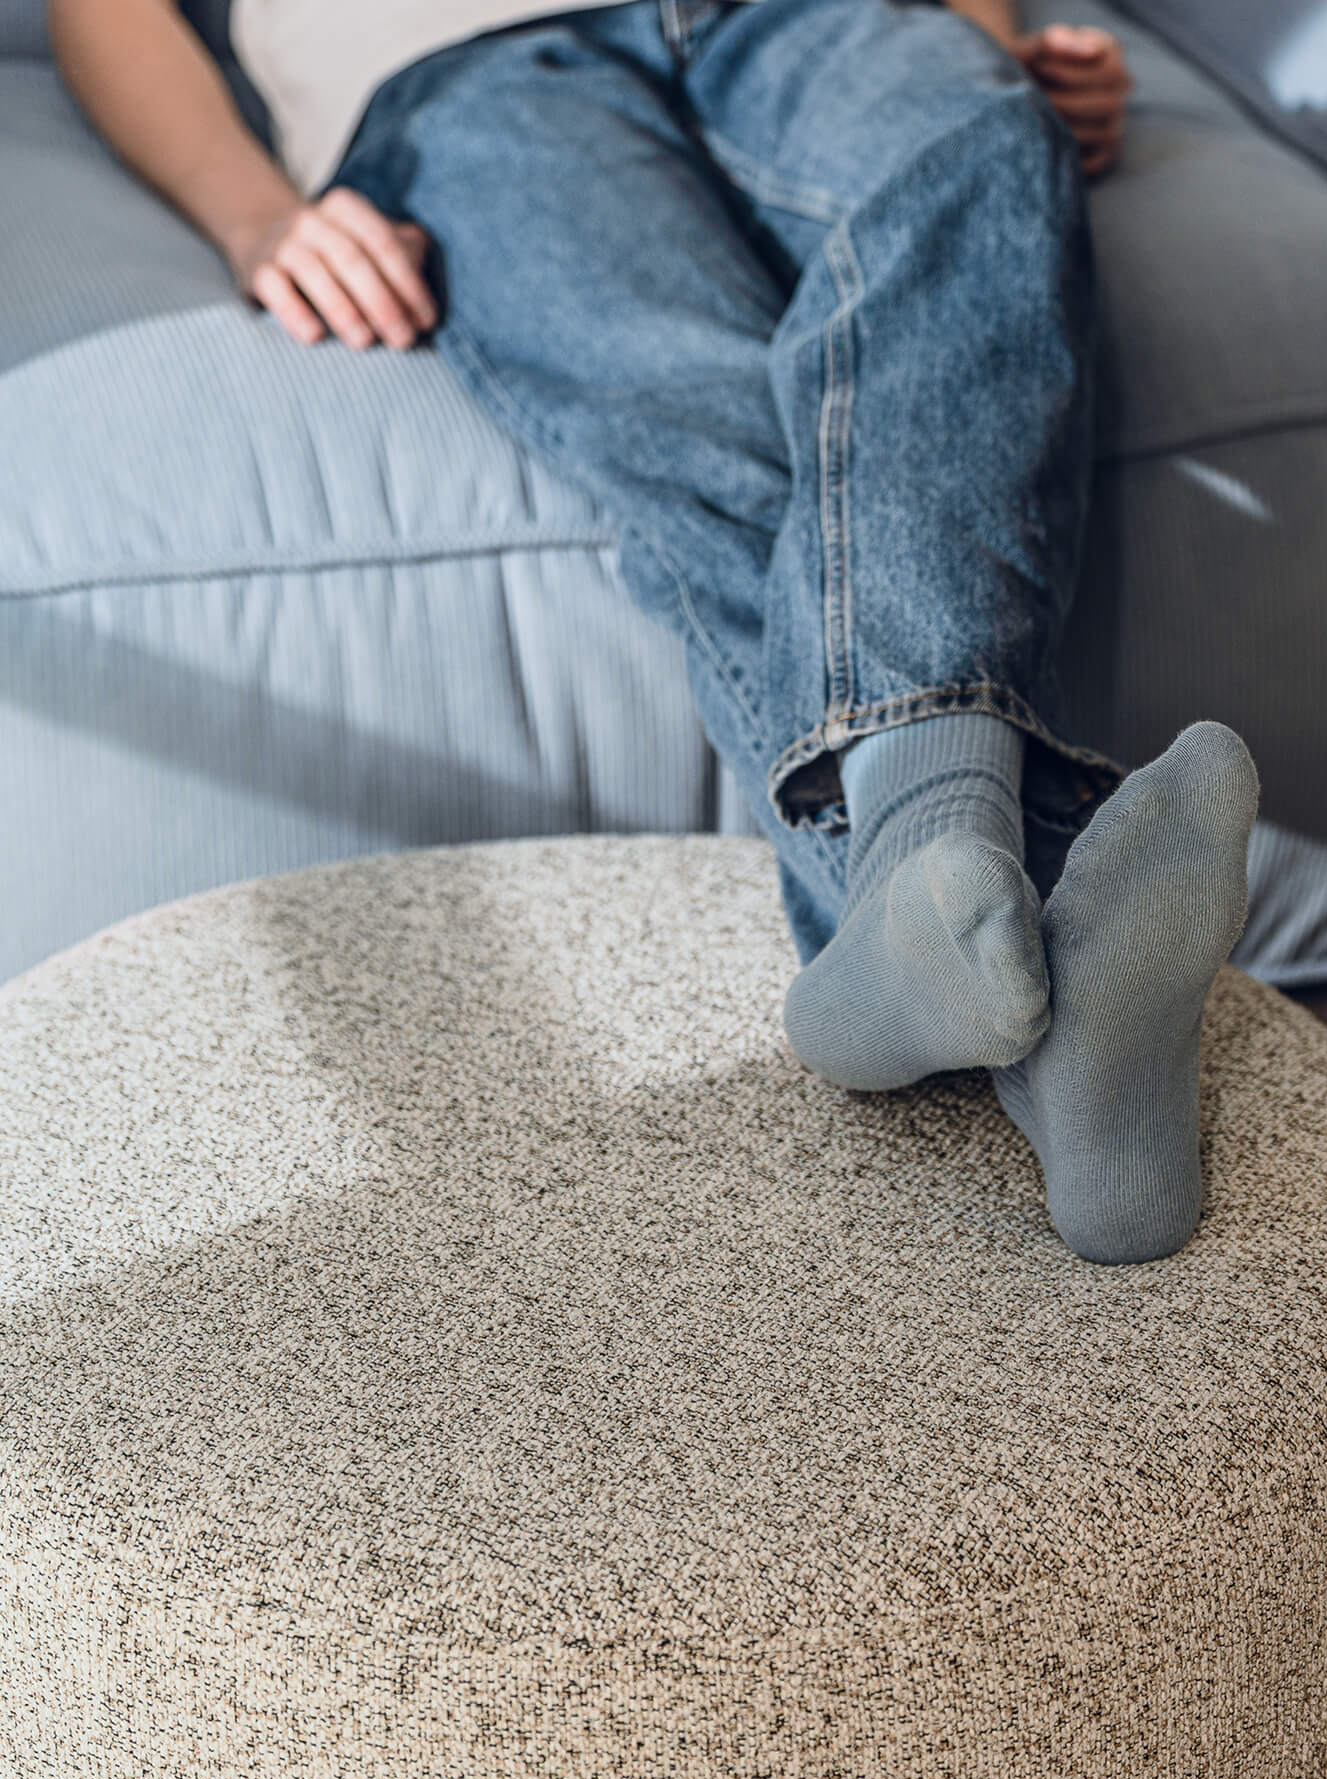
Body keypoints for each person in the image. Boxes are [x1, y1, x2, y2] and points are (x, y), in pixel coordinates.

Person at [51, 0, 1259, 1263]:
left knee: (974, 152)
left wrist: (982, 39)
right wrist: (253, 213)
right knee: (703, 404)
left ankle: (931, 921)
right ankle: (1029, 949)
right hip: (463, 62)